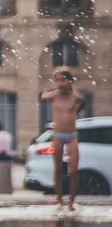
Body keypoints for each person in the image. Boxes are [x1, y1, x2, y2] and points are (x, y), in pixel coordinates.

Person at [41, 68, 86, 211]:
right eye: (57, 80)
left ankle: (71, 202)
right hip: (57, 135)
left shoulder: (75, 97)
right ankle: (59, 200)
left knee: (73, 171)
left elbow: (83, 101)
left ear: (69, 81)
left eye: (63, 80)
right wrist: (52, 89)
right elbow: (43, 96)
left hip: (72, 135)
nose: (60, 83)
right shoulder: (53, 96)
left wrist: (76, 112)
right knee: (58, 169)